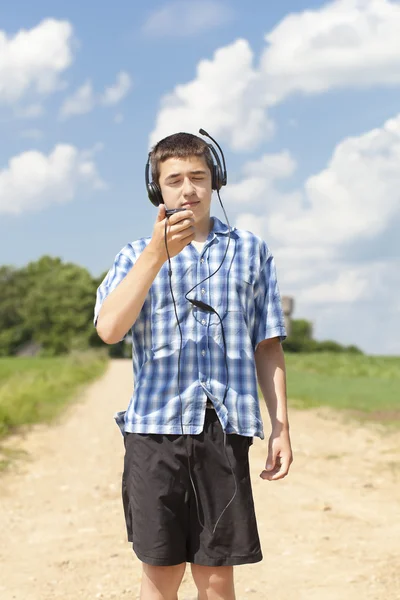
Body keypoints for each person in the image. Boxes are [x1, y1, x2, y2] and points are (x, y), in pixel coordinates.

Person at [93, 131, 293, 600]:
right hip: (154, 431)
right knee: (160, 573)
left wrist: (281, 426)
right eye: (175, 179)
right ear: (157, 189)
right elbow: (109, 330)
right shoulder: (133, 255)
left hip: (224, 430)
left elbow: (267, 346)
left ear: (215, 181)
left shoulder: (251, 251)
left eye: (198, 177)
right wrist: (154, 257)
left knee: (218, 576)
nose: (188, 189)